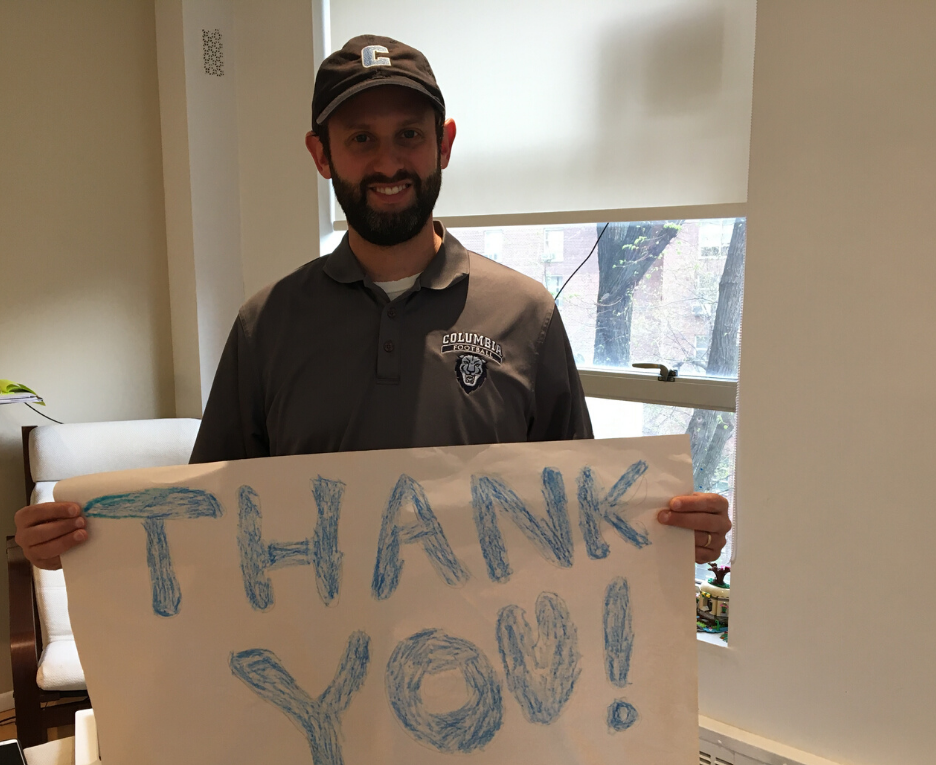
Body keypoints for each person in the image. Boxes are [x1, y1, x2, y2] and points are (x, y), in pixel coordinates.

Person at [14, 35, 730, 570]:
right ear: (320, 155)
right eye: (360, 139)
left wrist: (668, 531)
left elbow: (578, 508)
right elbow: (209, 515)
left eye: (409, 136)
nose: (388, 162)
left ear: (444, 145)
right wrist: (82, 544)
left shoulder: (527, 316)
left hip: (491, 689)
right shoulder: (269, 324)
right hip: (320, 683)